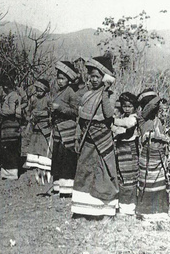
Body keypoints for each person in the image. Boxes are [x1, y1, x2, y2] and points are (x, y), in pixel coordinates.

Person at [71, 56, 119, 218]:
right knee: (84, 171)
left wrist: (105, 92)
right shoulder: (86, 95)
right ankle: (83, 209)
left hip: (101, 140)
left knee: (102, 172)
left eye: (97, 76)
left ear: (105, 78)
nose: (93, 79)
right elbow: (80, 119)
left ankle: (103, 209)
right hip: (87, 140)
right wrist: (77, 135)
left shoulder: (110, 95)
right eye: (91, 76)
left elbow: (109, 114)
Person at [136, 89, 170, 221]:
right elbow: (150, 106)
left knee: (158, 182)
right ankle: (146, 211)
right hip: (148, 155)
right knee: (147, 181)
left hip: (158, 155)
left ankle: (158, 211)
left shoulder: (157, 120)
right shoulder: (142, 119)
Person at [50, 61, 80, 195]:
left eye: (63, 79)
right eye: (58, 78)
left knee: (67, 158)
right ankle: (57, 186)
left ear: (68, 80)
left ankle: (67, 188)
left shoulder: (71, 93)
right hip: (58, 129)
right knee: (57, 157)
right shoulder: (58, 92)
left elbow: (76, 112)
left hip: (67, 129)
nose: (60, 81)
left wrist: (60, 108)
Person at [111, 92, 140, 215]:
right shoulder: (122, 117)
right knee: (121, 175)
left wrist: (113, 121)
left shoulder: (133, 118)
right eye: (124, 106)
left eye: (129, 106)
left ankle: (129, 206)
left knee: (130, 176)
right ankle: (122, 204)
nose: (127, 108)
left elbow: (128, 124)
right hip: (121, 148)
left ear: (134, 107)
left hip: (130, 148)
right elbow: (117, 129)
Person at [24, 79, 53, 184]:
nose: (38, 92)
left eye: (40, 90)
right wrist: (30, 117)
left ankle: (45, 172)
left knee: (44, 149)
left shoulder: (48, 99)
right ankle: (36, 172)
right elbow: (28, 111)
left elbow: (51, 112)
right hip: (35, 127)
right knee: (35, 148)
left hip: (45, 128)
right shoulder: (33, 99)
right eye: (37, 90)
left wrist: (43, 115)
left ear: (45, 91)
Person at [0, 80, 23, 180]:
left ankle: (11, 172)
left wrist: (0, 112)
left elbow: (11, 111)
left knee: (10, 148)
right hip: (10, 125)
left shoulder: (12, 96)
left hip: (11, 124)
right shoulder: (12, 95)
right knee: (9, 147)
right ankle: (9, 172)